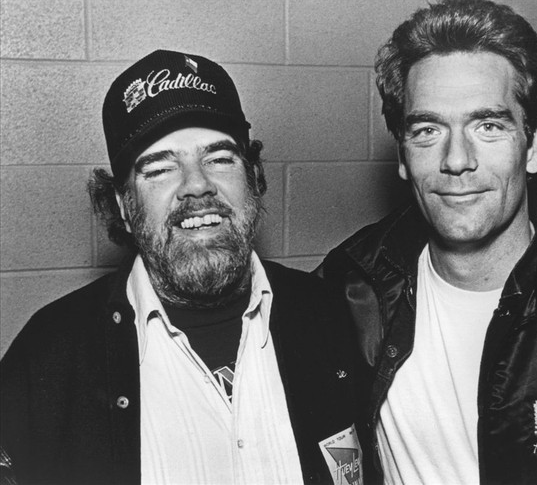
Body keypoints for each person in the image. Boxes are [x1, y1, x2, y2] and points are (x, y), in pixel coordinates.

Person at [0, 49, 367, 485]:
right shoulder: (50, 356)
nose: (196, 185)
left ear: (253, 178)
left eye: (219, 159)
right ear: (123, 205)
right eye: (159, 168)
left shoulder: (332, 317)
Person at [316, 0, 537, 484]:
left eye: (488, 126)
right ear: (403, 155)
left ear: (533, 146)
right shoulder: (347, 288)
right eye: (428, 130)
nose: (456, 160)